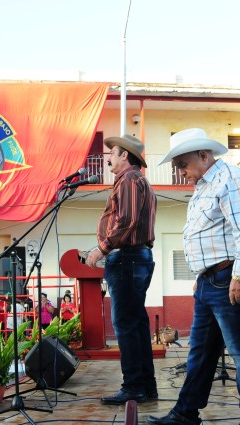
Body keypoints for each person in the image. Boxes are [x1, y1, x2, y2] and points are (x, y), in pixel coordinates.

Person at [146, 128, 240, 425]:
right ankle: (186, 413)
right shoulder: (203, 186)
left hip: (230, 276)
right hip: (209, 280)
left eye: (183, 163)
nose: (180, 172)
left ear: (204, 155)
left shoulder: (232, 179)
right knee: (200, 353)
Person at [85, 134, 157, 406]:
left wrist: (101, 248)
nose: (108, 158)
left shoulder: (128, 180)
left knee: (127, 325)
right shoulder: (139, 181)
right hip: (135, 258)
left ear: (125, 155)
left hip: (127, 258)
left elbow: (126, 219)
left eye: (112, 153)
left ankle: (134, 386)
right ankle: (145, 386)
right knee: (135, 325)